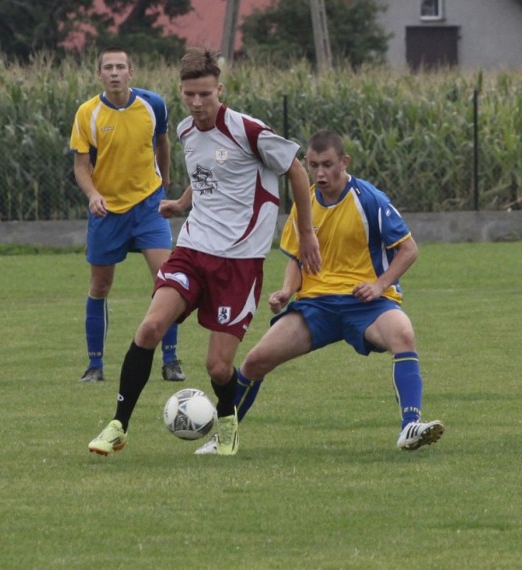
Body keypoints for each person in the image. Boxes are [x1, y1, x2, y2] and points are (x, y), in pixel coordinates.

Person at [87, 47, 321, 456]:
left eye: (205, 95)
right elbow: (208, 176)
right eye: (190, 95)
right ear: (181, 91)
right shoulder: (184, 131)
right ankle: (117, 426)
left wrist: (306, 232)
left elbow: (297, 169)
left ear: (219, 90)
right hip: (192, 250)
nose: (197, 104)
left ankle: (227, 423)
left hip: (239, 262)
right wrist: (181, 202)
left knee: (217, 366)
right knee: (148, 329)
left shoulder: (248, 131)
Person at [195, 129, 444, 455]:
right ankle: (225, 438)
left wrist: (380, 285)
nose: (320, 173)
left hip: (364, 303)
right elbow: (298, 258)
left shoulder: (370, 200)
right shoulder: (306, 203)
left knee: (403, 336)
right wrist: (286, 291)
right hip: (317, 306)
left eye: (327, 165)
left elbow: (409, 249)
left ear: (344, 162)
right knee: (255, 361)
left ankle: (410, 426)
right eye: (313, 165)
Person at [70, 46, 185, 384]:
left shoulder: (153, 105)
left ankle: (171, 360)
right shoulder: (87, 113)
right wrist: (93, 195)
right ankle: (95, 366)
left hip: (148, 206)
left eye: (121, 66)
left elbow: (162, 143)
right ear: (99, 75)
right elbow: (80, 166)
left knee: (168, 281)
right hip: (108, 211)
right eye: (109, 67)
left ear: (131, 72)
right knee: (100, 285)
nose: (115, 72)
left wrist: (164, 181)